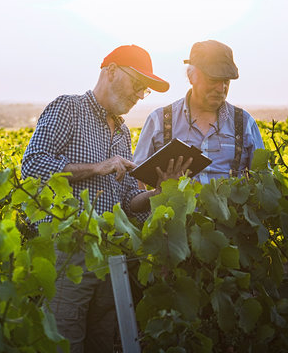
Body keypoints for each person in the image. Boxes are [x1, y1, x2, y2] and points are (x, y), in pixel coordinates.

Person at [21, 44, 192, 353]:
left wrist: (157, 192)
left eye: (145, 91)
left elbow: (128, 202)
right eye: (137, 85)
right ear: (111, 71)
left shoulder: (123, 133)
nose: (140, 95)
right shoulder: (68, 108)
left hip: (110, 256)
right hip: (68, 251)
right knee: (64, 342)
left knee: (101, 343)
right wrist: (97, 168)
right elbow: (33, 166)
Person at [133, 40, 265, 185]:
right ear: (191, 77)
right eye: (213, 80)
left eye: (226, 81)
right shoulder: (159, 121)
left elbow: (263, 180)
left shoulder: (245, 123)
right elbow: (135, 183)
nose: (221, 89)